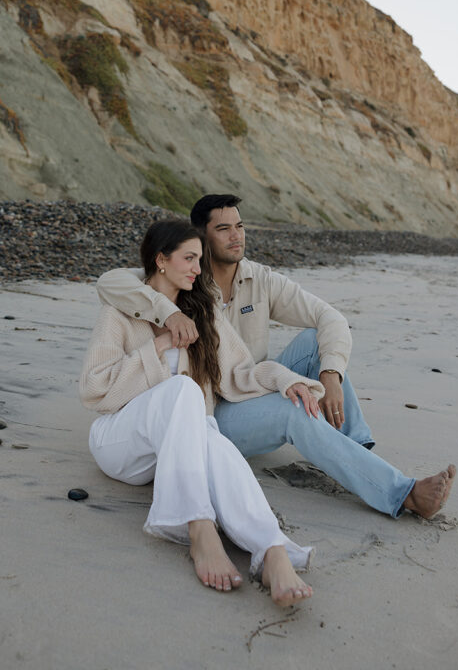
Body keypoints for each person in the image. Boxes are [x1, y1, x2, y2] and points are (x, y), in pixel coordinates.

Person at [97, 196, 456, 520]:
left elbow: (330, 318)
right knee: (291, 410)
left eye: (239, 226)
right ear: (200, 238)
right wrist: (169, 312)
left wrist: (331, 375)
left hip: (250, 381)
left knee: (317, 341)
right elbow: (111, 281)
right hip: (214, 408)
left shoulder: (260, 279)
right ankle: (402, 493)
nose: (236, 236)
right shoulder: (184, 277)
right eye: (223, 229)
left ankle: (357, 451)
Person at [80, 218, 327, 606]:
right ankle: (198, 526)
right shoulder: (119, 313)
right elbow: (95, 390)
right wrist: (157, 347)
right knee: (183, 390)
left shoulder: (203, 314)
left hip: (172, 453)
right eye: (190, 258)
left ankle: (272, 550)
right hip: (120, 441)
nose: (199, 268)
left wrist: (285, 380)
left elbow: (240, 373)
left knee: (212, 437)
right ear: (161, 260)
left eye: (200, 259)